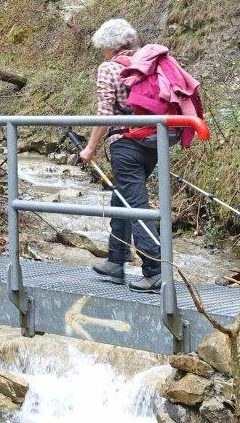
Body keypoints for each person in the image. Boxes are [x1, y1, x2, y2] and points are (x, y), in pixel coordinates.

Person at [80, 18, 165, 293]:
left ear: (109, 46)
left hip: (125, 144)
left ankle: (154, 271)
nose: (102, 53)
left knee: (135, 205)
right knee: (123, 196)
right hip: (152, 142)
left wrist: (90, 147)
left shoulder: (109, 68)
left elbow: (105, 113)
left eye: (102, 48)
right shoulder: (147, 63)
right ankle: (116, 259)